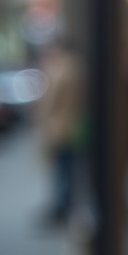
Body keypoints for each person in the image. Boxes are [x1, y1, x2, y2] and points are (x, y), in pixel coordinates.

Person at [36, 38, 85, 227]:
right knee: (66, 168)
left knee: (63, 169)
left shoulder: (62, 69)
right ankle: (63, 205)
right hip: (69, 127)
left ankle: (62, 207)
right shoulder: (72, 67)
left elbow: (50, 102)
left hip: (62, 128)